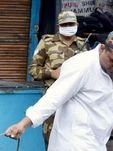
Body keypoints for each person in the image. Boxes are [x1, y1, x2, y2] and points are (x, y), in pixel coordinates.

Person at [29, 10, 87, 143]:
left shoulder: (83, 45)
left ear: (77, 24)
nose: (68, 27)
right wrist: (52, 73)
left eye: (71, 24)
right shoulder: (47, 42)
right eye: (65, 24)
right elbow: (33, 69)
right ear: (59, 26)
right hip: (53, 98)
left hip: (76, 99)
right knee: (51, 139)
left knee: (75, 139)